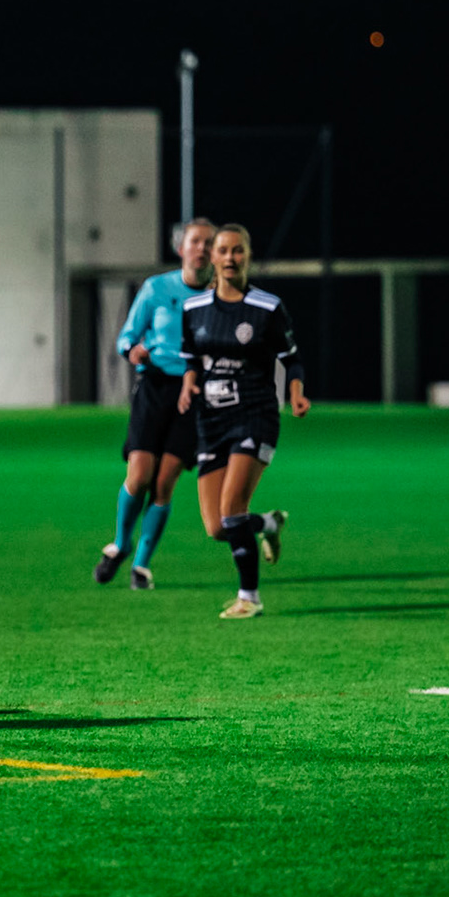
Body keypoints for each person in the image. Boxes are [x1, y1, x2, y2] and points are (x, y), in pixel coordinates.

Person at [177, 225, 310, 619]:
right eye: (224, 251)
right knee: (217, 527)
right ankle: (268, 523)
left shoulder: (267, 308)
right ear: (213, 258)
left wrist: (297, 392)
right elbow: (190, 359)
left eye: (239, 251)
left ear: (247, 257)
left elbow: (292, 358)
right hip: (211, 420)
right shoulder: (193, 310)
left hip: (255, 415)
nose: (231, 258)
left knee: (233, 508)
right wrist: (188, 386)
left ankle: (249, 596)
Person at [97, 217, 215, 590]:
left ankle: (142, 567)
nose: (202, 249)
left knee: (165, 483)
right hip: (155, 387)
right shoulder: (156, 288)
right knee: (139, 476)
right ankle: (120, 543)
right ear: (181, 248)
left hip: (194, 392)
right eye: (195, 241)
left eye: (209, 243)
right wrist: (132, 351)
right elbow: (127, 337)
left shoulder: (219, 295)